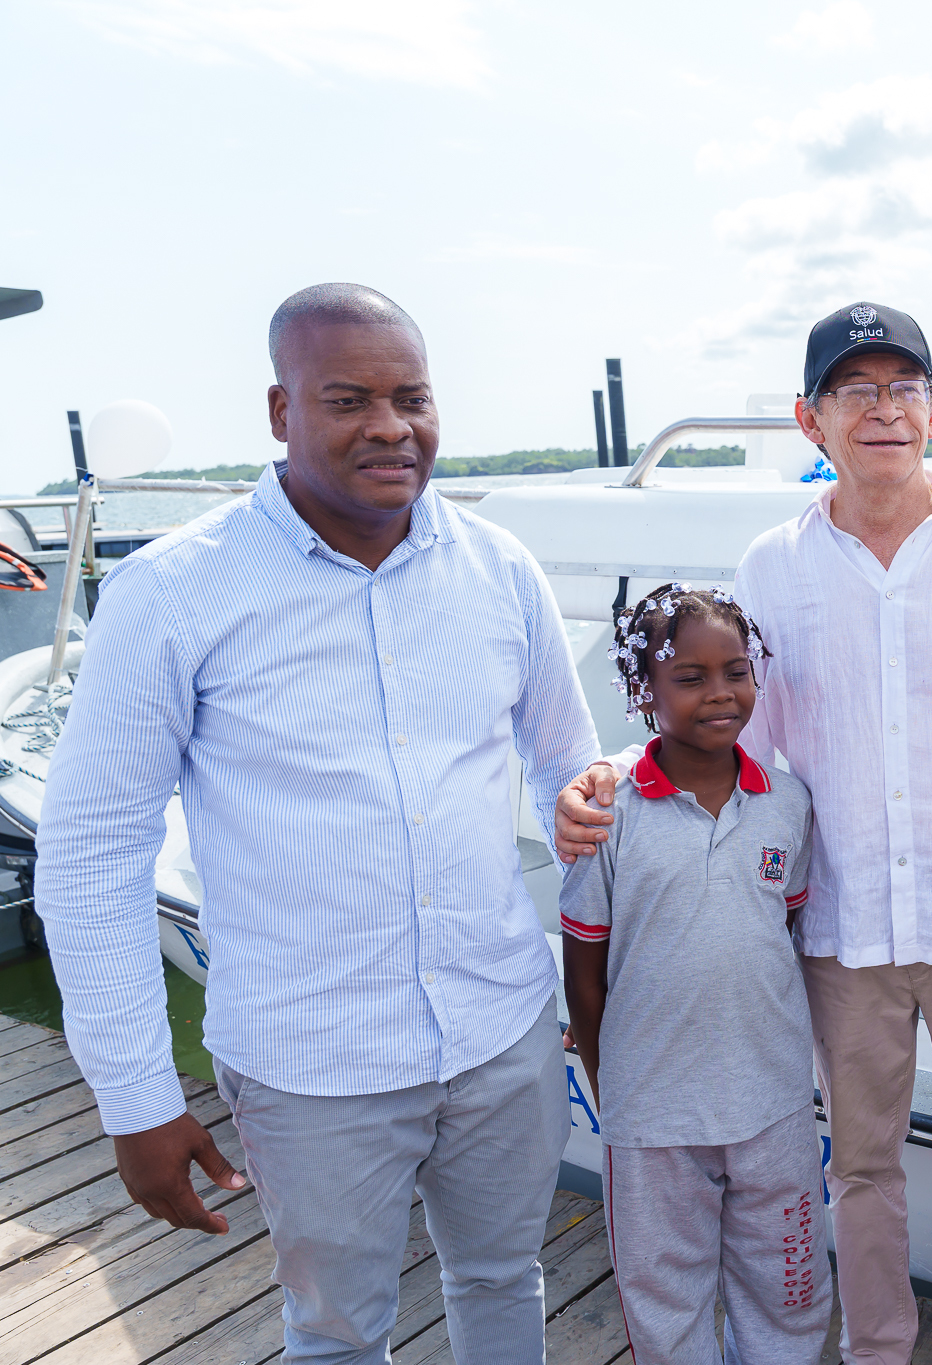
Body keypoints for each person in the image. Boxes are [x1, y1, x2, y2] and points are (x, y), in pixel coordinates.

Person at [35, 284, 600, 1363]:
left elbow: (566, 767)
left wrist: (587, 867)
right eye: (349, 399)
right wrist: (136, 1099)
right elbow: (94, 852)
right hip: (311, 1063)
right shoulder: (172, 591)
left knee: (501, 1280)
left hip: (499, 1033)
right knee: (337, 1333)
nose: (391, 426)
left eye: (413, 398)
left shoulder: (500, 570)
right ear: (279, 410)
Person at [553, 302, 932, 1365]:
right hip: (843, 927)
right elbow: (729, 732)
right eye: (856, 391)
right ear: (811, 420)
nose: (882, 410)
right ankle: (878, 1351)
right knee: (858, 1167)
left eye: (902, 389)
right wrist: (604, 775)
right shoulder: (773, 566)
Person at [560, 584, 829, 1364]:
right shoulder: (606, 805)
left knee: (789, 1293)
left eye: (736, 671)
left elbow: (774, 932)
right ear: (642, 689)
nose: (720, 692)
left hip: (772, 1103)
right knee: (665, 1302)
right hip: (653, 1118)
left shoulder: (787, 803)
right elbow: (584, 977)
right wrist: (620, 1100)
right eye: (689, 676)